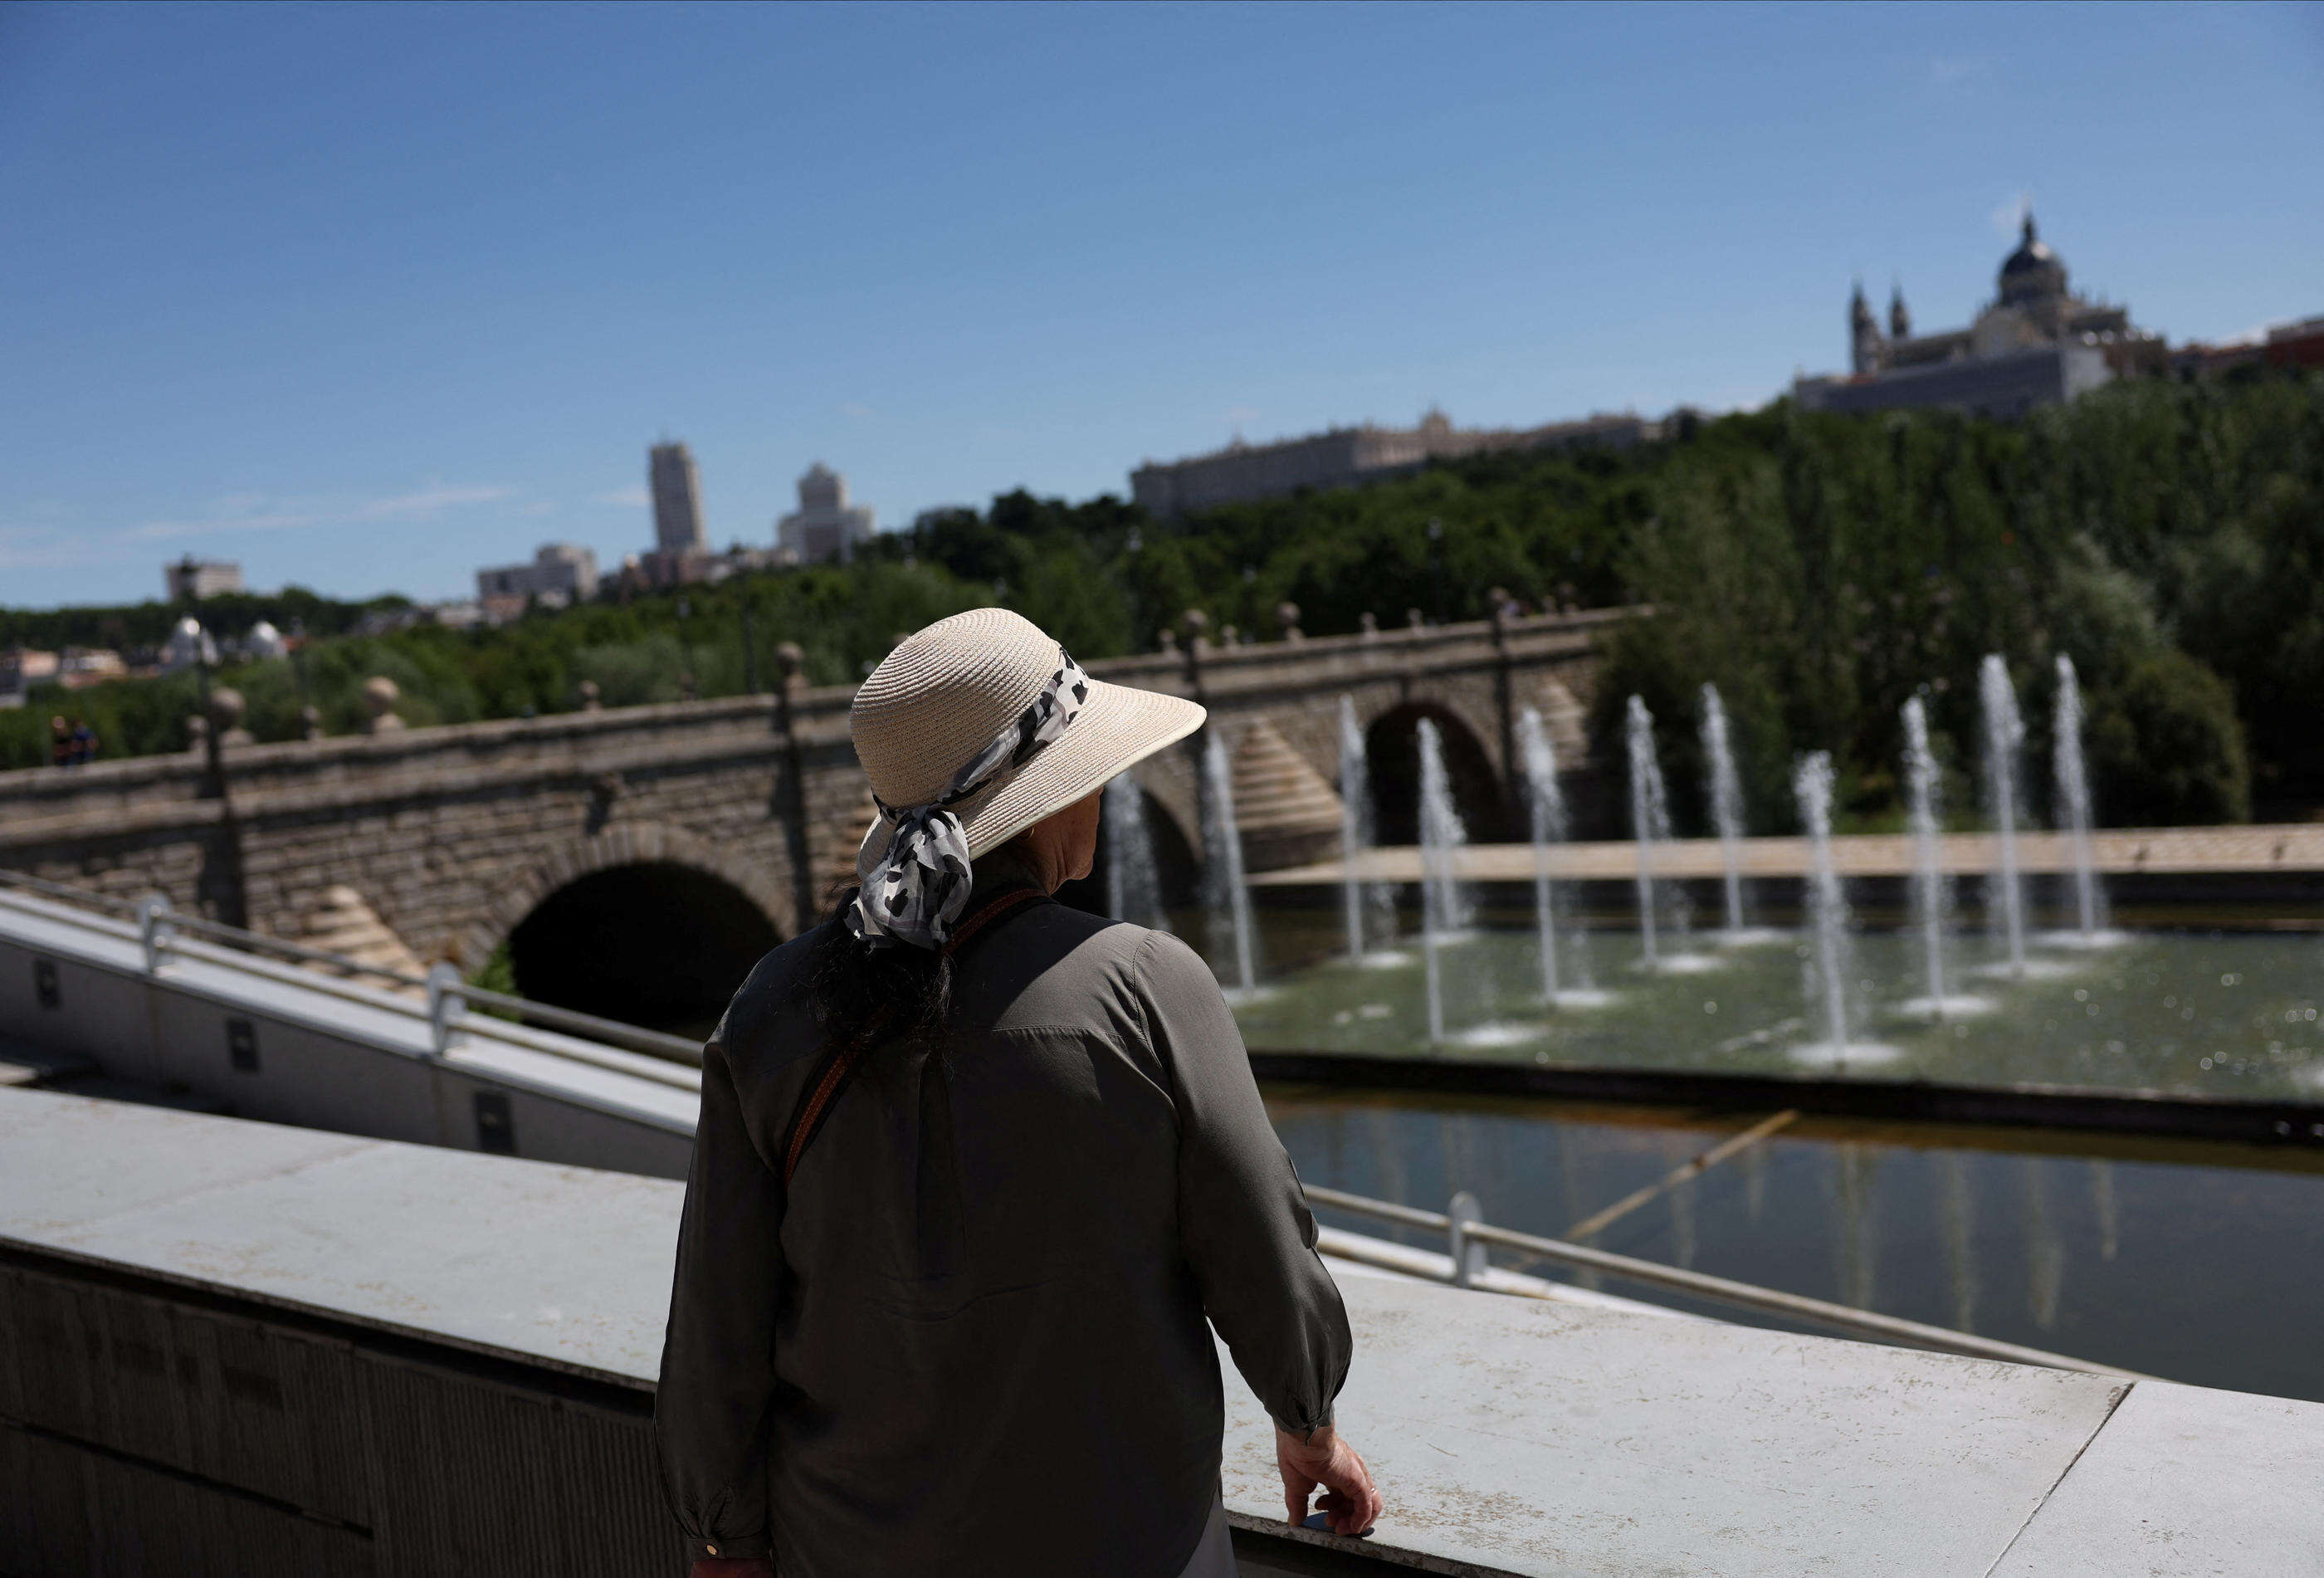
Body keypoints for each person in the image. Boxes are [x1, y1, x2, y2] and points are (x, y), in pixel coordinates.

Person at [657, 608, 1382, 1578]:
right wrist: (1307, 1425)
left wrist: (723, 1534)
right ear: (1046, 799)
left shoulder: (772, 1008)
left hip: (847, 1544)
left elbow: (716, 1321)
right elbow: (1259, 1250)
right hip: (1125, 1538)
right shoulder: (1145, 982)